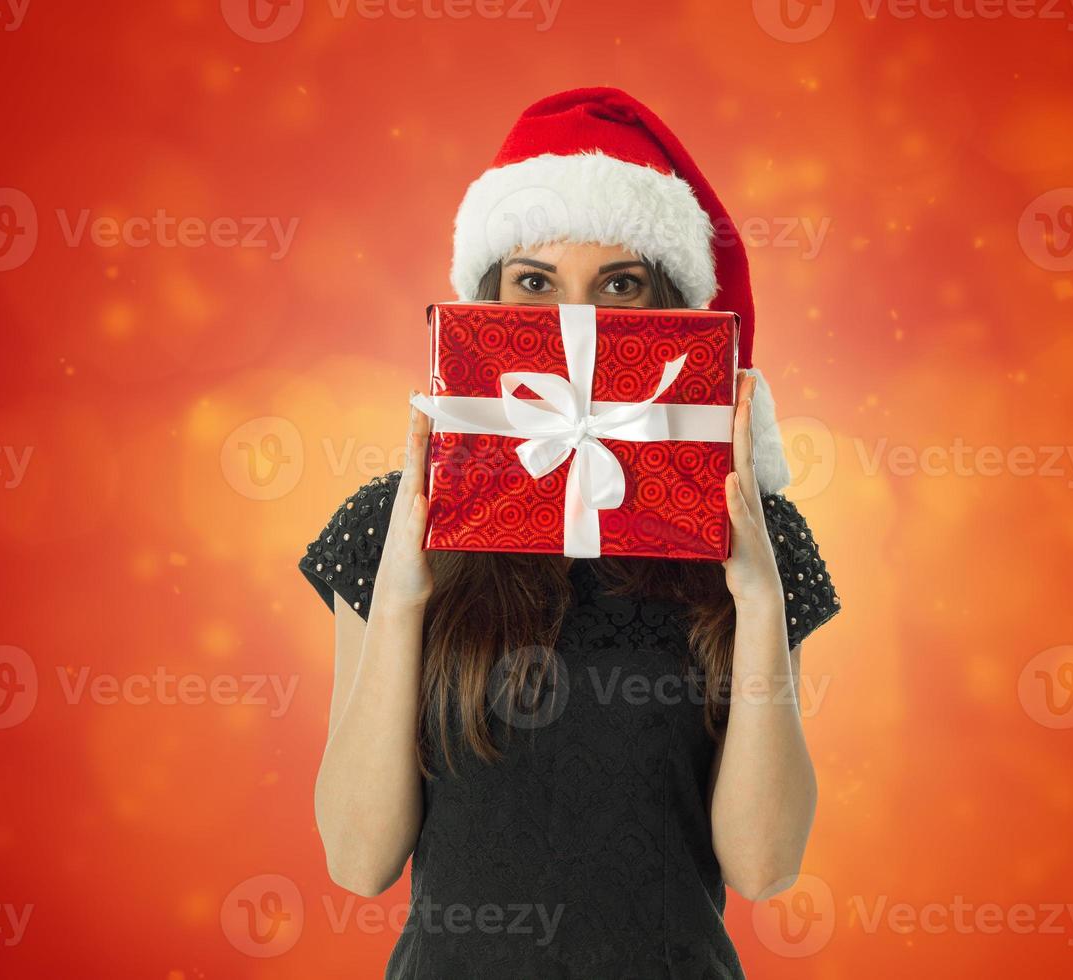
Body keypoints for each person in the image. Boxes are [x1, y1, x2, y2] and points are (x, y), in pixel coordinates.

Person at [299, 87, 840, 979]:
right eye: (536, 284)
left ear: (670, 310)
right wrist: (401, 596)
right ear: (489, 302)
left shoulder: (750, 530)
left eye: (619, 284)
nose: (573, 321)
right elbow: (358, 862)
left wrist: (756, 595)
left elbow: (766, 864)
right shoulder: (392, 522)